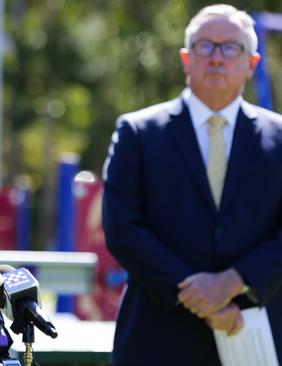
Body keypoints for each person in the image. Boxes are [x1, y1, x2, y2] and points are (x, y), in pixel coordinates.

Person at [103, 4, 282, 365]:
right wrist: (198, 294)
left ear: (251, 62)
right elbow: (122, 227)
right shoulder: (138, 132)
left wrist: (233, 281)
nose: (217, 57)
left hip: (256, 333)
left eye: (230, 47)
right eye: (205, 46)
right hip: (157, 337)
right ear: (186, 58)